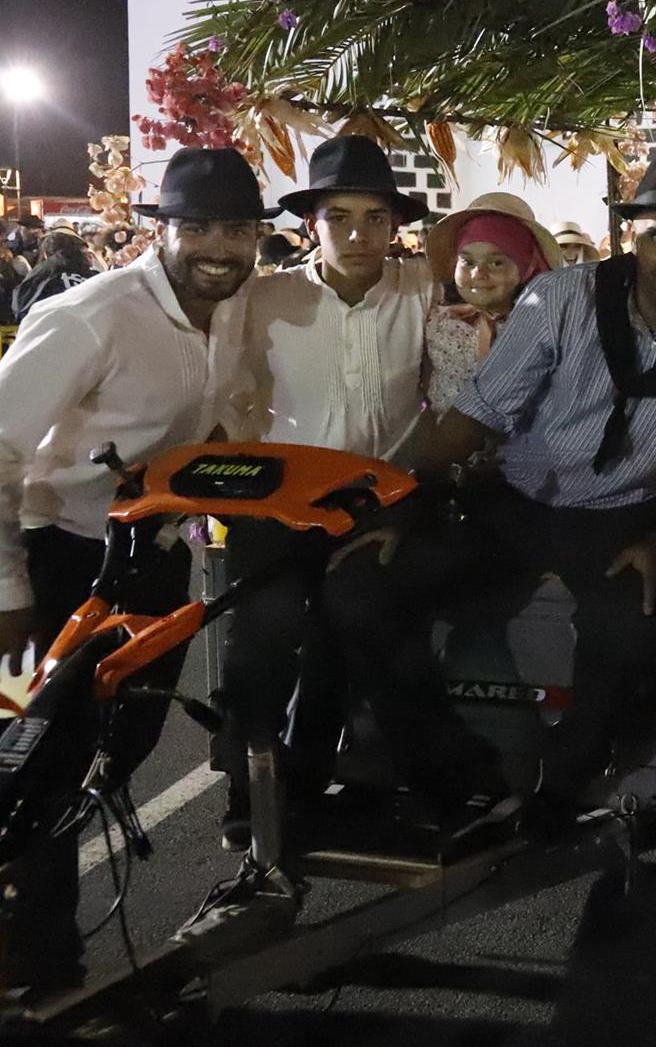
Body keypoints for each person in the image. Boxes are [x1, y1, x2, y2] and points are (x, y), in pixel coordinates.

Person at [324, 151, 656, 837]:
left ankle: (564, 786)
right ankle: (445, 764)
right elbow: (478, 412)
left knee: (637, 620)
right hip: (515, 502)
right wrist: (412, 503)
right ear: (628, 237)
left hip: (625, 515)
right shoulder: (563, 298)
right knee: (360, 586)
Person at [0, 147, 267, 996]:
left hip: (151, 560)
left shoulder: (232, 308)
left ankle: (39, 946)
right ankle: (36, 958)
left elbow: (207, 417)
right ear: (163, 230)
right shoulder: (93, 316)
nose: (219, 247)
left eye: (237, 229)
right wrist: (7, 590)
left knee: (115, 755)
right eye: (198, 227)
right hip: (59, 560)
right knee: (31, 762)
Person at [210, 135, 436, 851]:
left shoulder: (425, 291)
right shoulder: (264, 298)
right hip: (278, 501)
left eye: (375, 218)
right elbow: (224, 394)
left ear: (394, 225)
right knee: (263, 638)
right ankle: (246, 794)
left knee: (346, 631)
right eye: (339, 217)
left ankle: (308, 787)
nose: (358, 235)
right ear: (312, 223)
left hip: (380, 502)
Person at [421, 192, 562, 421]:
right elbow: (425, 385)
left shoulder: (545, 330)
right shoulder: (439, 324)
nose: (478, 274)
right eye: (467, 261)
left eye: (497, 263)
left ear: (525, 267)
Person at [10, 228, 94, 322]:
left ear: (46, 254)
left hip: (51, 327)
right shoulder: (94, 277)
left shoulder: (40, 275)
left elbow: (20, 307)